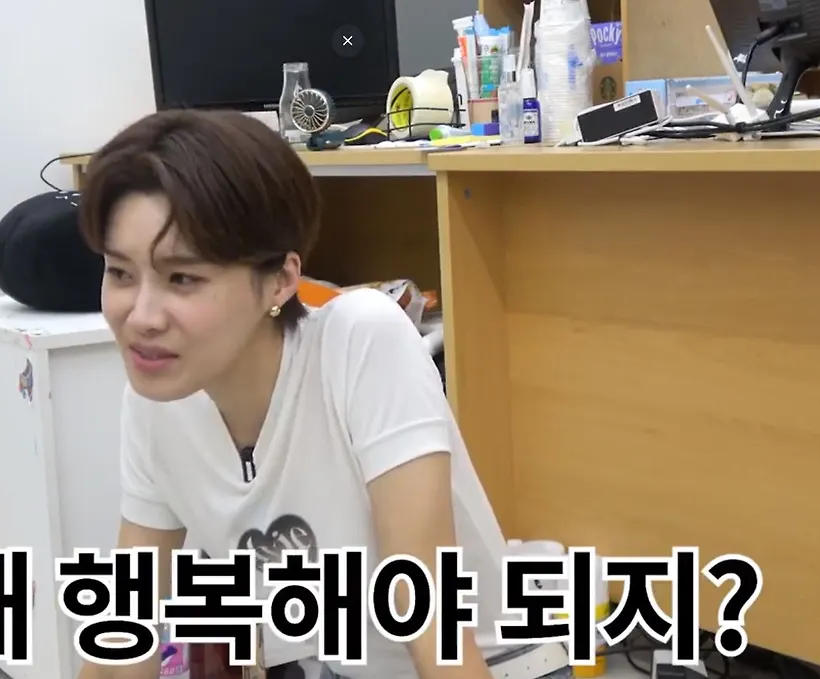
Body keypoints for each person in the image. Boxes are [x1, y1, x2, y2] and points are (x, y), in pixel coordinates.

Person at [75, 110, 521, 679]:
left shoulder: (361, 340)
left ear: (281, 281)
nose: (140, 317)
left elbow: (432, 626)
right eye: (120, 273)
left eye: (182, 278)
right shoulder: (156, 400)